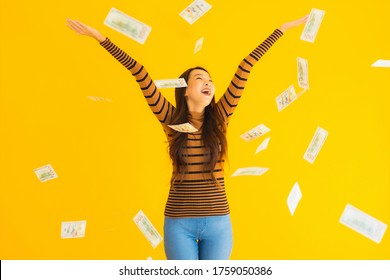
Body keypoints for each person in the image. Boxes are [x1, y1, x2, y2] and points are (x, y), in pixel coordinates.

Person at [66, 14, 308, 260]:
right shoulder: (171, 121)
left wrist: (282, 29)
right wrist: (98, 37)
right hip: (179, 224)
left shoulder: (221, 117)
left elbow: (246, 65)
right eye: (200, 79)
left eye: (210, 80)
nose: (209, 83)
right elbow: (139, 72)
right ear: (184, 90)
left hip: (218, 223)